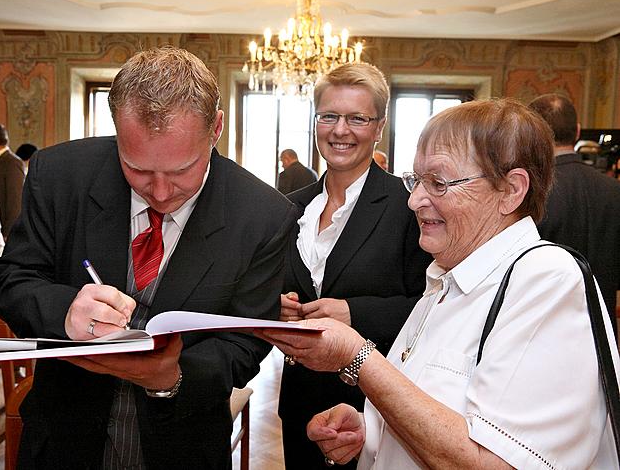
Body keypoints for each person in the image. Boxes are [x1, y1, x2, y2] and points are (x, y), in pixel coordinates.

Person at [258, 98, 620, 469]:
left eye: (439, 183)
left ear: (511, 190)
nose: (414, 200)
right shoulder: (444, 280)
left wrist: (357, 356)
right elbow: (441, 409)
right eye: (416, 180)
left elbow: (498, 461)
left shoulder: (546, 280)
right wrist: (373, 429)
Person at [0, 46, 297, 469]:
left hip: (183, 444)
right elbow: (11, 280)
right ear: (117, 129)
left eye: (181, 170)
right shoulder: (59, 176)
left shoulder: (262, 214)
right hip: (65, 436)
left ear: (217, 128)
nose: (161, 191)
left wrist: (173, 377)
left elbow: (244, 345)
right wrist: (65, 313)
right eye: (137, 168)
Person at [277, 63, 431, 469]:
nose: (340, 130)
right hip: (300, 407)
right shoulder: (290, 207)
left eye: (357, 118)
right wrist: (275, 310)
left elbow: (434, 306)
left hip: (375, 412)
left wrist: (353, 312)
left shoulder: (408, 205)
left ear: (379, 127)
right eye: (329, 116)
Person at [529, 93, 620, 331]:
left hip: (542, 329)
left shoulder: (529, 192)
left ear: (533, 135)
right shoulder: (614, 189)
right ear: (578, 131)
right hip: (604, 333)